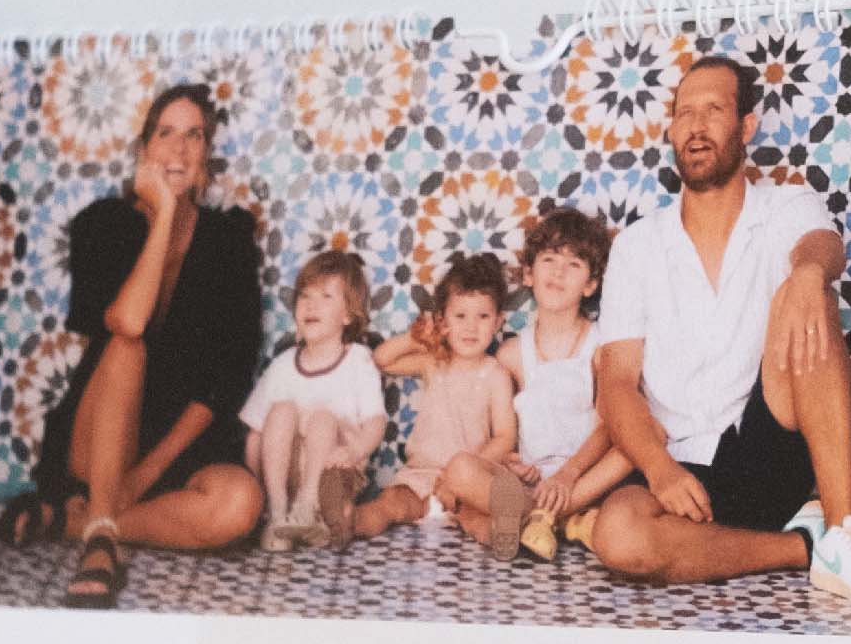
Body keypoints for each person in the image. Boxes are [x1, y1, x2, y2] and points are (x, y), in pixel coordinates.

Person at [589, 56, 851, 618]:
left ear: (746, 125)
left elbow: (822, 245)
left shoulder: (785, 205)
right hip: (681, 471)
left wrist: (809, 273)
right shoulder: (637, 246)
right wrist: (659, 469)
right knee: (618, 536)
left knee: (806, 294)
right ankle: (815, 546)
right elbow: (617, 384)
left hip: (772, 452)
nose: (696, 127)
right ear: (671, 130)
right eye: (685, 114)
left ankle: (843, 525)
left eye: (714, 110)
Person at [0, 84, 265, 609]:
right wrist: (163, 215)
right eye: (166, 133)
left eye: (195, 135)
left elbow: (226, 378)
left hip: (176, 447)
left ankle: (75, 521)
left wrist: (145, 475)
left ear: (206, 153)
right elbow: (128, 321)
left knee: (241, 505)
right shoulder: (103, 225)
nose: (180, 148)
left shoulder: (229, 239)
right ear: (145, 149)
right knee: (127, 344)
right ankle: (99, 544)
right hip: (97, 433)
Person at [439, 208, 632, 560]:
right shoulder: (511, 354)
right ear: (528, 273)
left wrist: (568, 475)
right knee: (458, 469)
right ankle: (546, 519)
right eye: (549, 259)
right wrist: (510, 461)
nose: (558, 272)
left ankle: (544, 517)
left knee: (630, 449)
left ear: (590, 284)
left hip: (582, 481)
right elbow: (503, 431)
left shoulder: (600, 346)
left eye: (574, 264)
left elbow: (610, 426)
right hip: (531, 484)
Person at [354, 253, 523, 554]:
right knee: (389, 504)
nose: (471, 327)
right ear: (442, 321)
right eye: (460, 316)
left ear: (498, 321)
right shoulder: (434, 361)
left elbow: (505, 436)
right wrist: (416, 339)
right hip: (420, 477)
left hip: (465, 485)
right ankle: (346, 522)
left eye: (483, 317)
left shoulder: (496, 374)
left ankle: (501, 534)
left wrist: (460, 477)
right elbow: (381, 361)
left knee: (476, 519)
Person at [238, 250, 387, 551]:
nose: (311, 304)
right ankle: (278, 515)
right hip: (285, 480)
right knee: (281, 411)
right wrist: (258, 487)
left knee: (323, 418)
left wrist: (355, 450)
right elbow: (255, 436)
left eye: (325, 296)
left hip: (336, 474)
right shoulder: (282, 366)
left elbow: (375, 422)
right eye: (305, 296)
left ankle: (311, 509)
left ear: (348, 315)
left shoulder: (359, 361)